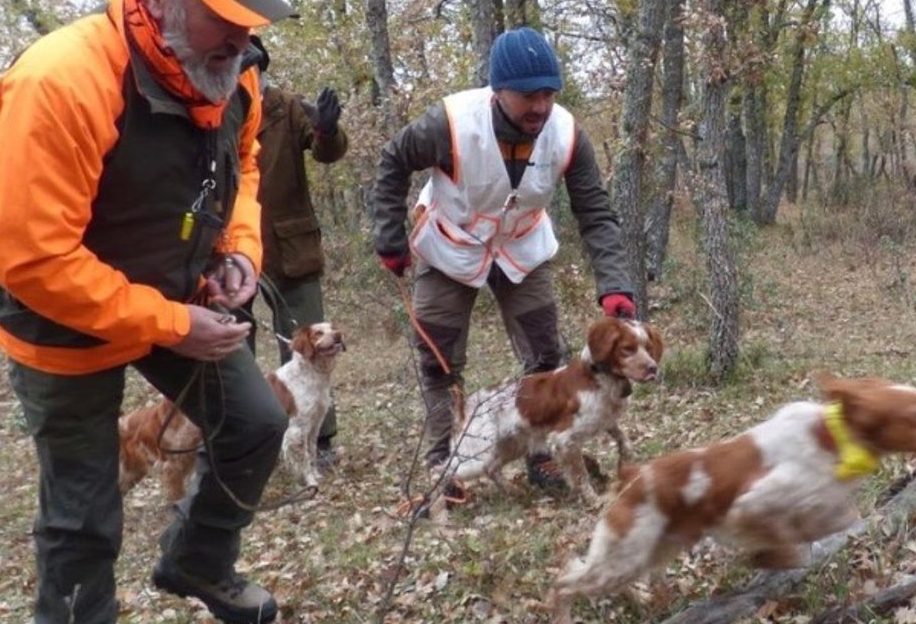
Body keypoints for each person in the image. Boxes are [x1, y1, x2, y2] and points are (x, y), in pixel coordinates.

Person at [0, 0, 295, 624]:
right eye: (224, 15)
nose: (241, 35)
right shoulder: (64, 80)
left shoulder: (234, 73)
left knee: (256, 420)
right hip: (52, 310)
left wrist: (238, 250)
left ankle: (199, 562)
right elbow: (33, 257)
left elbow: (243, 167)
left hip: (168, 289)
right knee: (84, 497)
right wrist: (170, 322)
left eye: (248, 15)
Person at [371, 26, 638, 508]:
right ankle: (442, 465)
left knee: (545, 353)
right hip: (450, 247)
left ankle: (543, 453)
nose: (540, 106)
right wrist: (389, 236)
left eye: (548, 93)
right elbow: (393, 163)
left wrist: (615, 286)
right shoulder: (448, 124)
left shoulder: (568, 135)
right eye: (527, 95)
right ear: (499, 91)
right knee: (440, 360)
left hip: (521, 249)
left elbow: (595, 211)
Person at [254, 54, 349, 466]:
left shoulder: (286, 106)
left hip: (289, 247)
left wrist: (328, 129)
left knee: (307, 343)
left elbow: (327, 150)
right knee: (229, 350)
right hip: (226, 251)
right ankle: (244, 442)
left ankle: (319, 439)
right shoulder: (211, 110)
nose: (244, 74)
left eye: (251, 66)